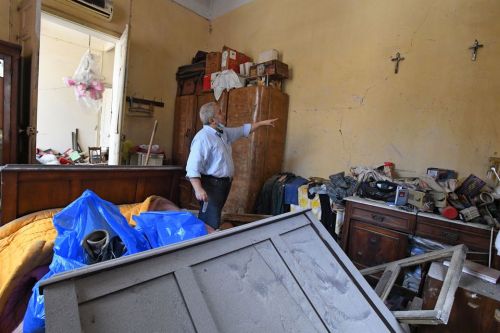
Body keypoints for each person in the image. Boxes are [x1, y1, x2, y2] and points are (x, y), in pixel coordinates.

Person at [186, 102, 278, 229]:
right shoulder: (203, 138)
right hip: (211, 185)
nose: (223, 114)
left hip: (223, 184)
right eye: (220, 112)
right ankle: (206, 244)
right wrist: (198, 189)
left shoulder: (222, 132)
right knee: (210, 220)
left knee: (214, 217)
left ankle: (210, 240)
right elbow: (192, 167)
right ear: (212, 120)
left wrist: (262, 123)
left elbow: (243, 130)